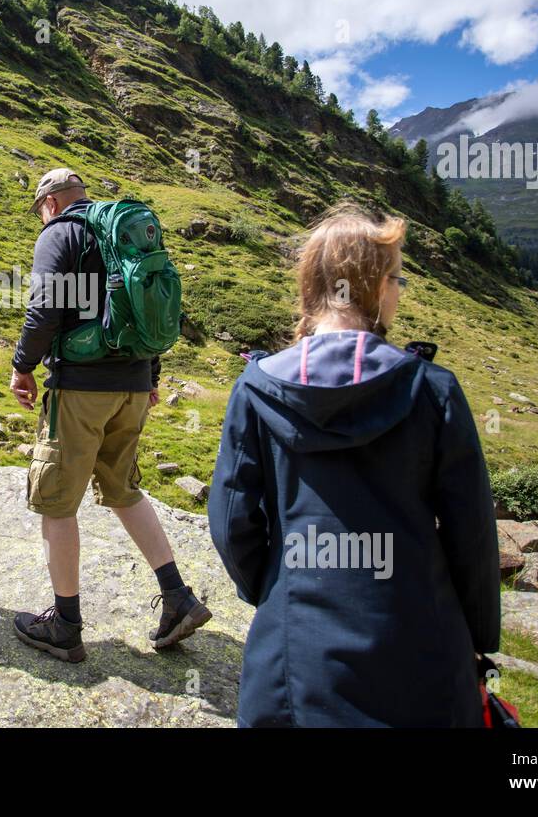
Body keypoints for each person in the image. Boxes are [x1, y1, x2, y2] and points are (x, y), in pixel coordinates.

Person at [207, 202, 500, 726]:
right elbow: (472, 538)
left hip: (295, 656)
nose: (398, 292)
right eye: (397, 279)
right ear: (374, 285)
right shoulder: (433, 391)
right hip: (424, 651)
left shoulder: (256, 387)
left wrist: (273, 590)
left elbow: (232, 524)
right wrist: (477, 642)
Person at [8, 167, 212, 663]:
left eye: (39, 212)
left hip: (81, 388)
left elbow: (44, 307)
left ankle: (66, 624)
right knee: (122, 488)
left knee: (56, 501)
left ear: (50, 203)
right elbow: (148, 308)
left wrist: (22, 367)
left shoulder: (62, 233)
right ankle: (177, 596)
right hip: (133, 385)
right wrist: (151, 378)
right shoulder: (121, 231)